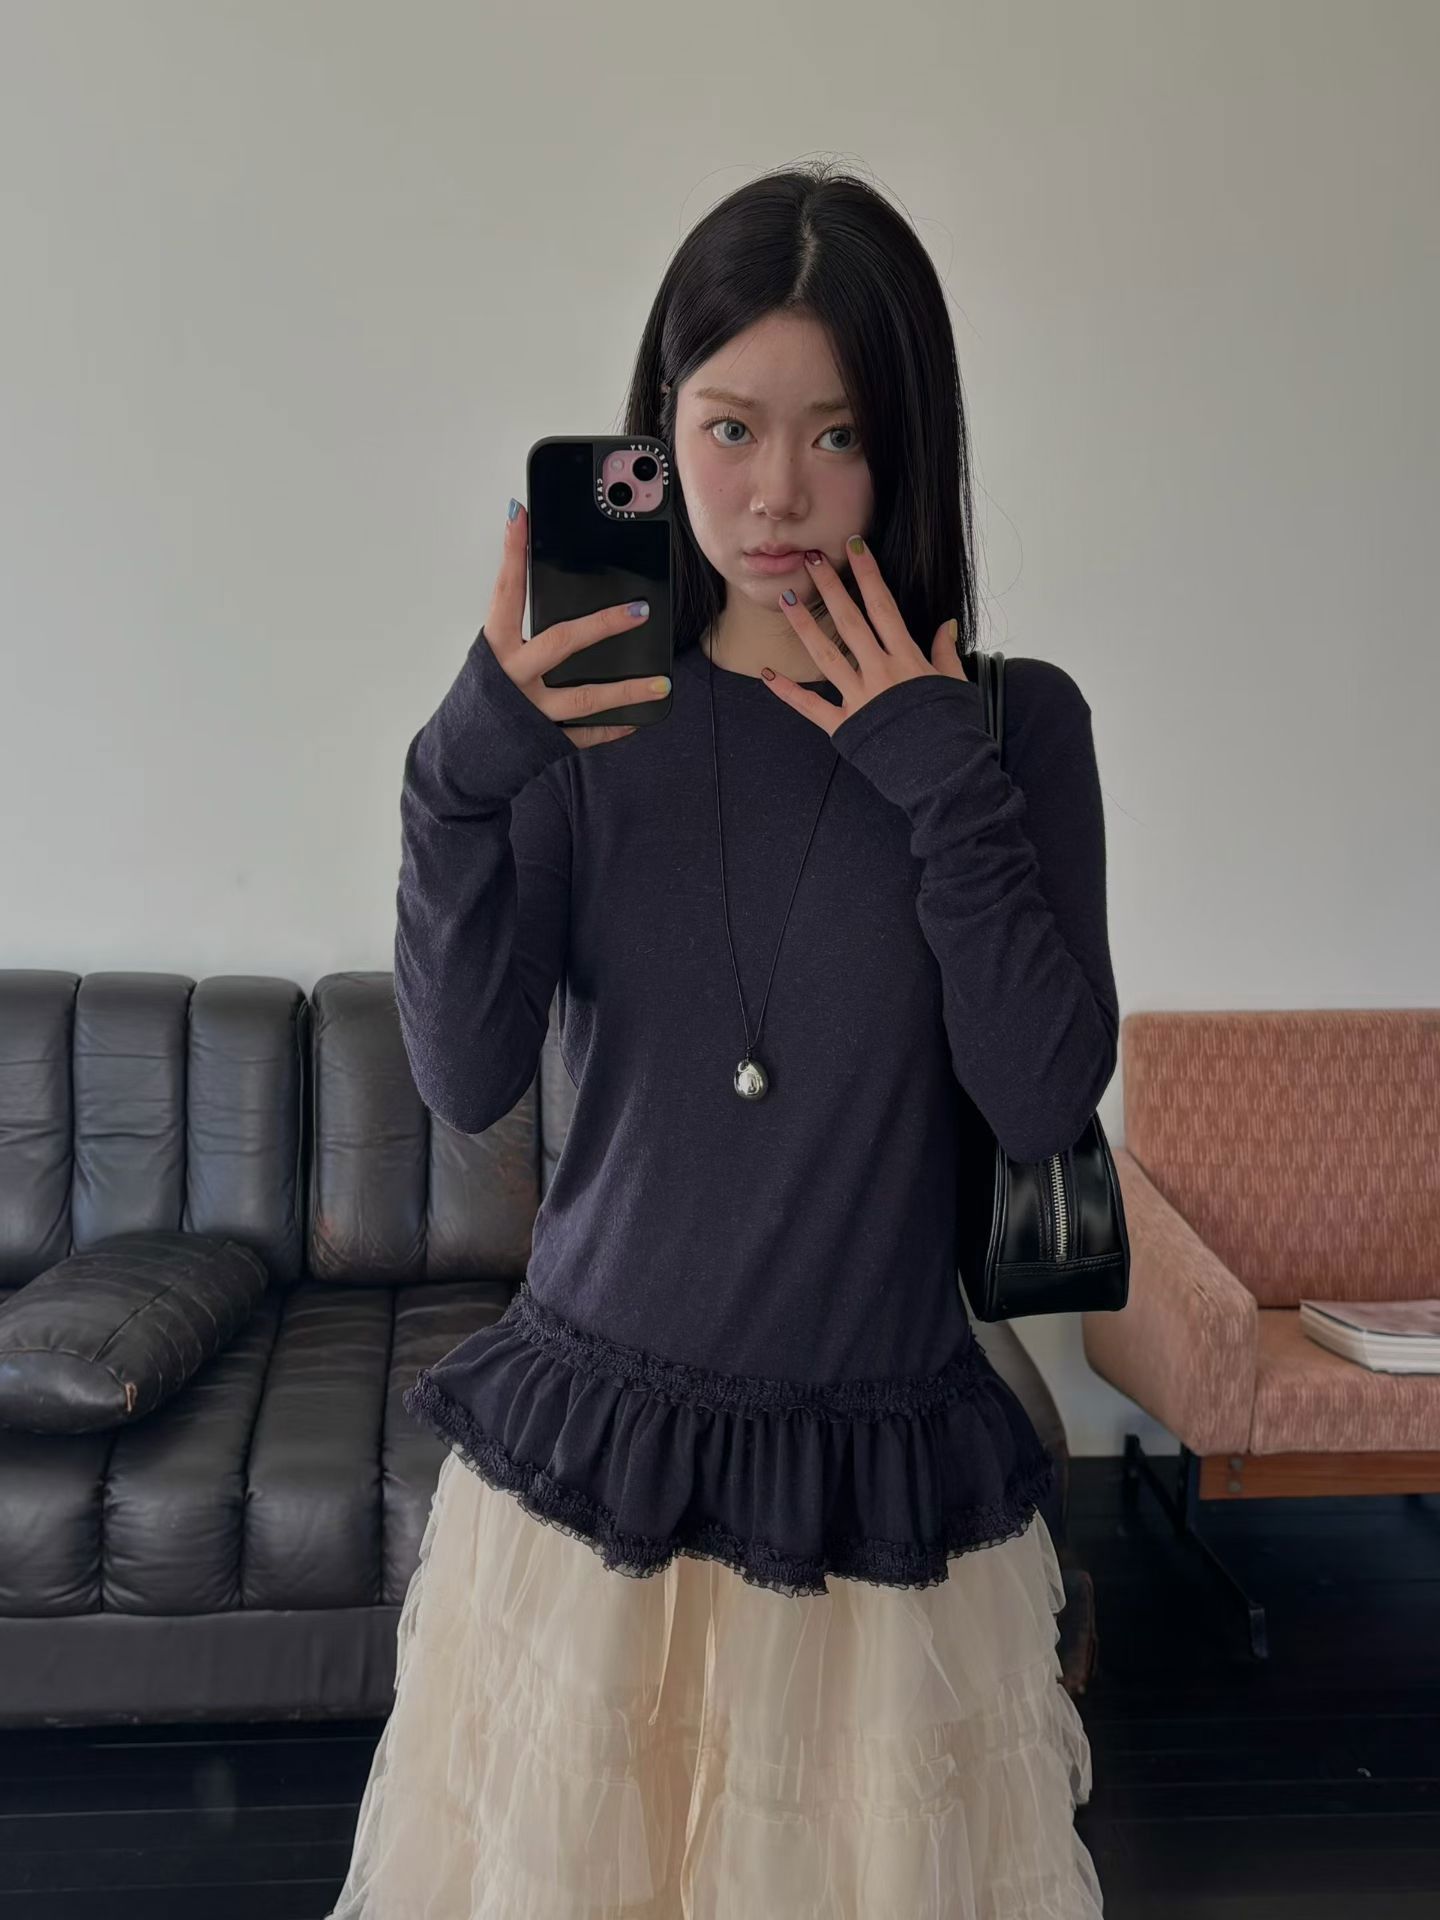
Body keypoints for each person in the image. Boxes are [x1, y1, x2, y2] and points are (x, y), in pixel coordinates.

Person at [328, 162, 1114, 1918]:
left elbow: (1043, 1092)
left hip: (876, 1521)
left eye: (838, 436)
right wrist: (455, 783)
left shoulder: (1011, 731)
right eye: (731, 427)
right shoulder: (586, 719)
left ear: (909, 449)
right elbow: (465, 1078)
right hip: (592, 1490)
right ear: (660, 428)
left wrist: (938, 782)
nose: (777, 494)